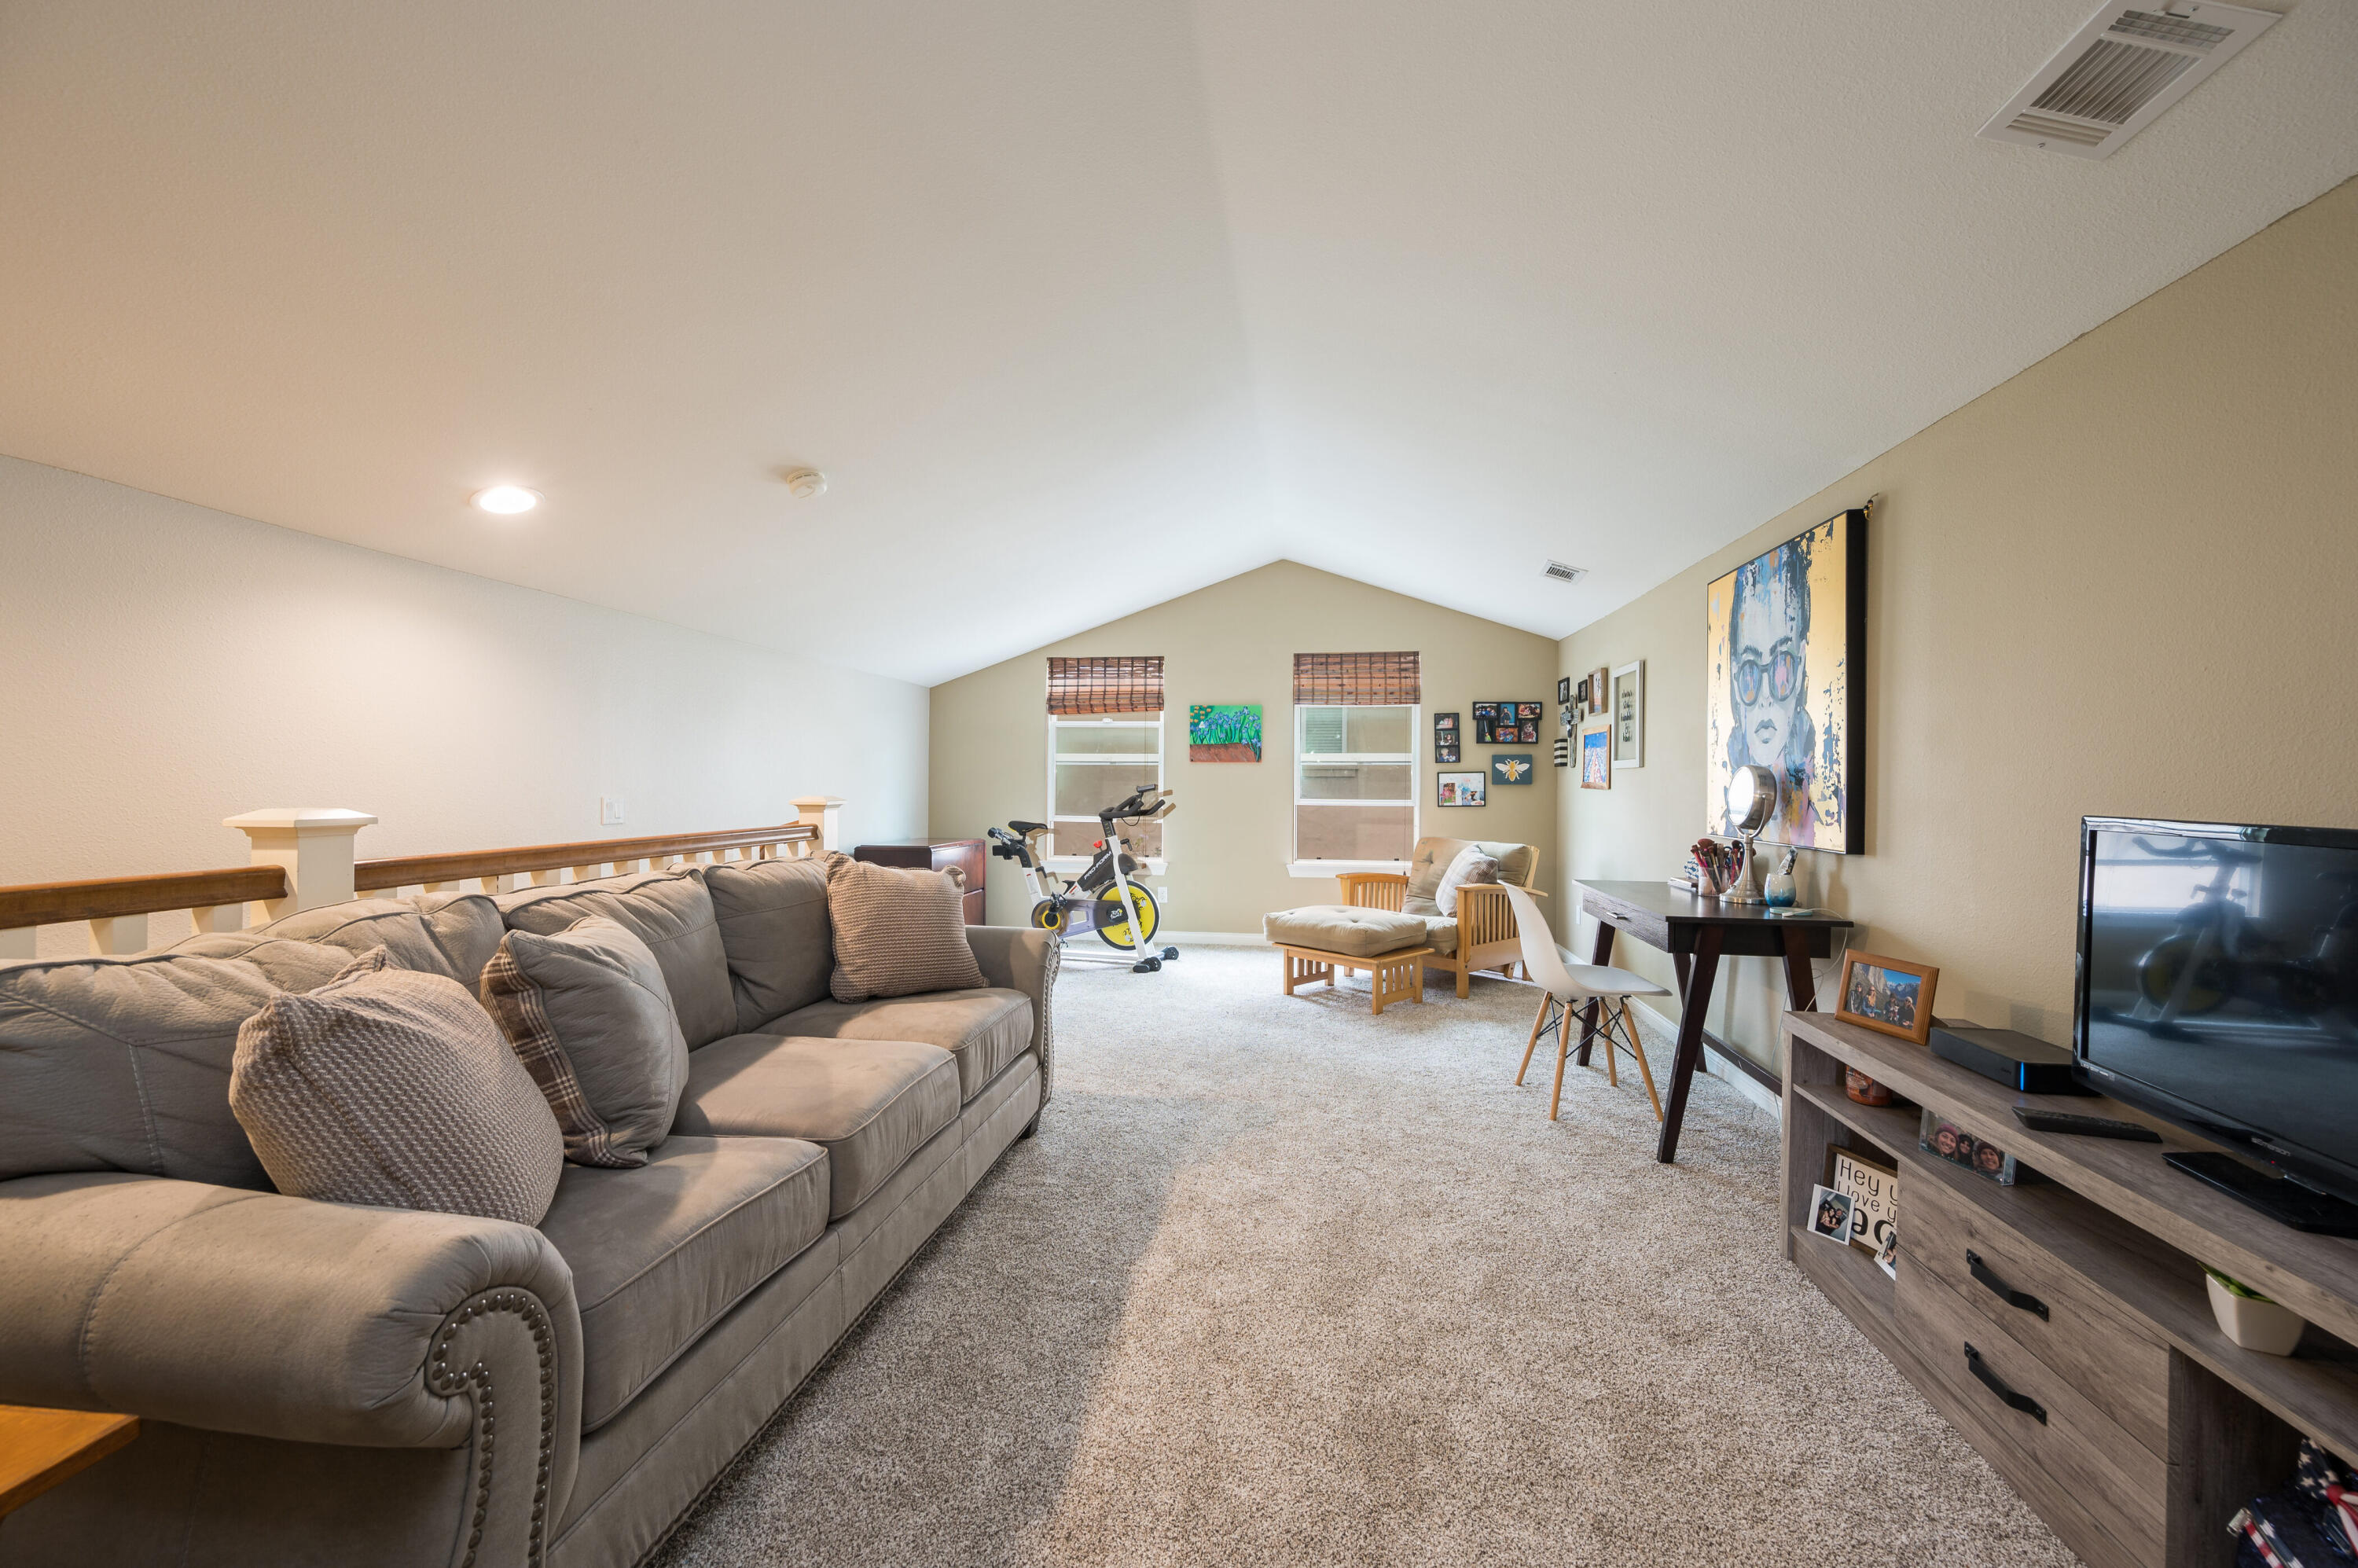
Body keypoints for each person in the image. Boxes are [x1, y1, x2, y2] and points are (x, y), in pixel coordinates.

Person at [1723, 537, 1831, 843]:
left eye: (1782, 666)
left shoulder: (1821, 813)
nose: (1767, 697)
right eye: (1750, 671)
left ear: (1801, 669)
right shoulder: (1731, 807)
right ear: (1734, 675)